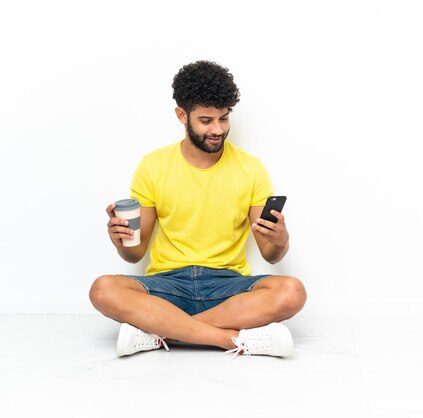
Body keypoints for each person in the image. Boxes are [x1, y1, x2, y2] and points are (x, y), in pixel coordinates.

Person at [89, 60, 306, 358]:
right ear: (182, 115)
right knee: (103, 289)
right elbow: (134, 254)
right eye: (206, 120)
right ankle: (229, 340)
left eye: (224, 118)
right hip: (168, 285)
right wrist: (121, 241)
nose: (217, 129)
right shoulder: (153, 166)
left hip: (227, 287)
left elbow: (270, 254)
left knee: (292, 292)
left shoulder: (251, 169)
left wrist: (281, 241)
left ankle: (160, 334)